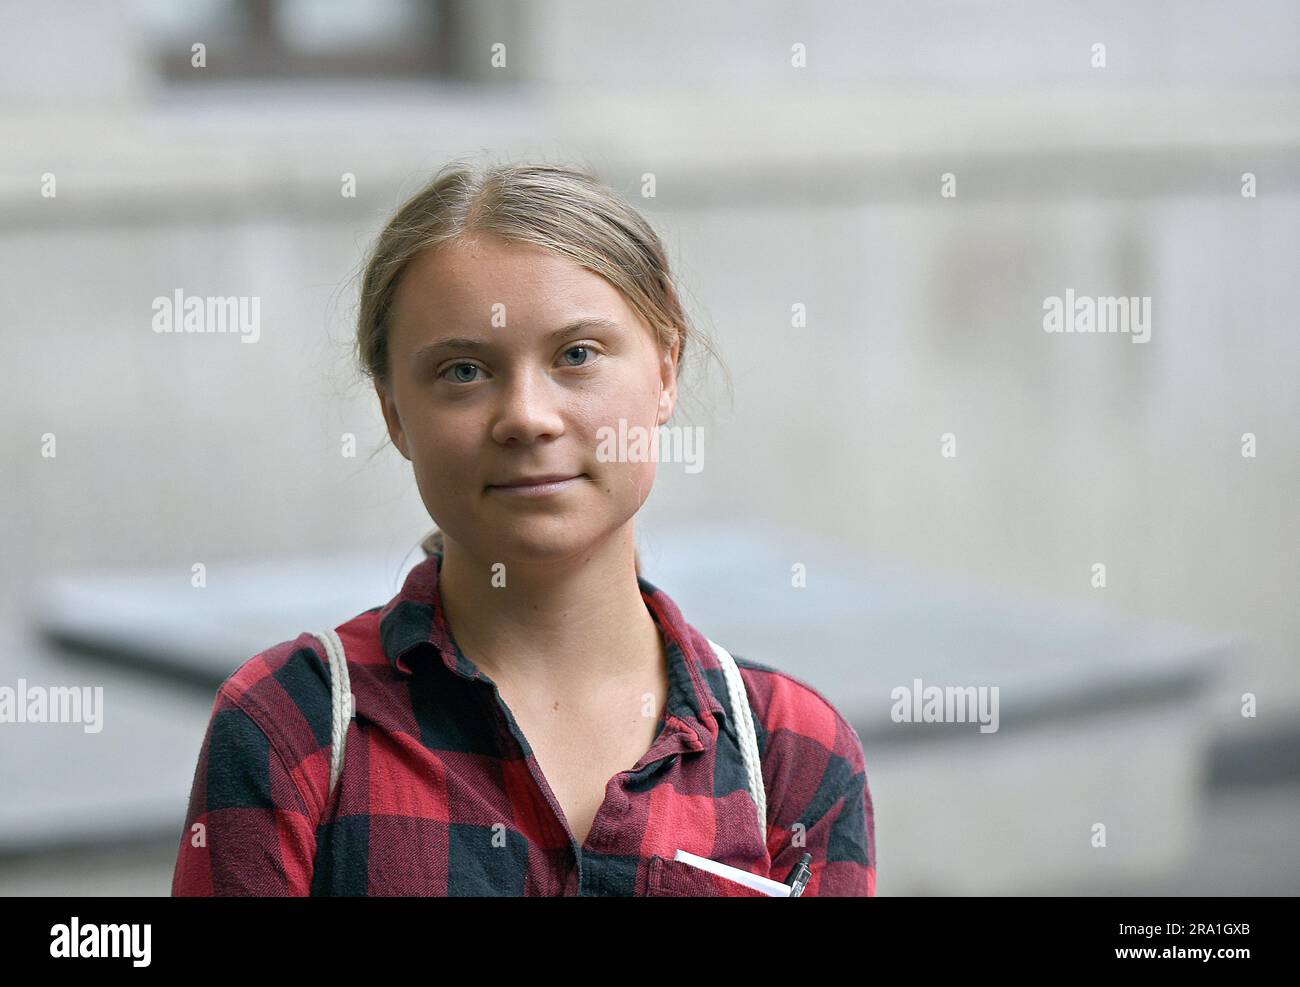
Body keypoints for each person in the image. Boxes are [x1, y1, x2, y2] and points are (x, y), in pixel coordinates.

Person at [171, 160, 875, 896]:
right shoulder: (294, 727)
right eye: (464, 371)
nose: (528, 418)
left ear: (666, 369)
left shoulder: (792, 752)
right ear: (392, 412)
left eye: (577, 355)